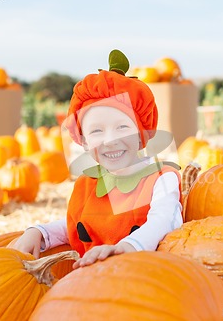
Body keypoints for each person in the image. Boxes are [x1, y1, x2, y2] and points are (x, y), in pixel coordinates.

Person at [12, 50, 183, 268]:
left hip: (144, 277)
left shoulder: (160, 179)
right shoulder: (88, 184)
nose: (110, 140)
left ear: (142, 135)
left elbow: (165, 219)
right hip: (92, 284)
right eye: (96, 131)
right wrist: (41, 233)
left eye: (122, 127)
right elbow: (79, 226)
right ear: (83, 141)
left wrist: (129, 246)